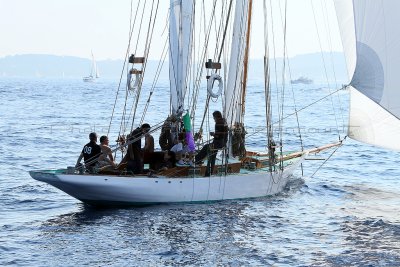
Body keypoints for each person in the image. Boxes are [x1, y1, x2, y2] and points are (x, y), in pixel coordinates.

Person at [195, 111, 228, 176]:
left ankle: (197, 160)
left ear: (216, 117)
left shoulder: (218, 123)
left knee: (206, 147)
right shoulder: (224, 121)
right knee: (213, 155)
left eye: (214, 117)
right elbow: (223, 133)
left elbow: (218, 136)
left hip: (218, 143)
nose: (214, 119)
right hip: (223, 143)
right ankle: (209, 173)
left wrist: (213, 134)